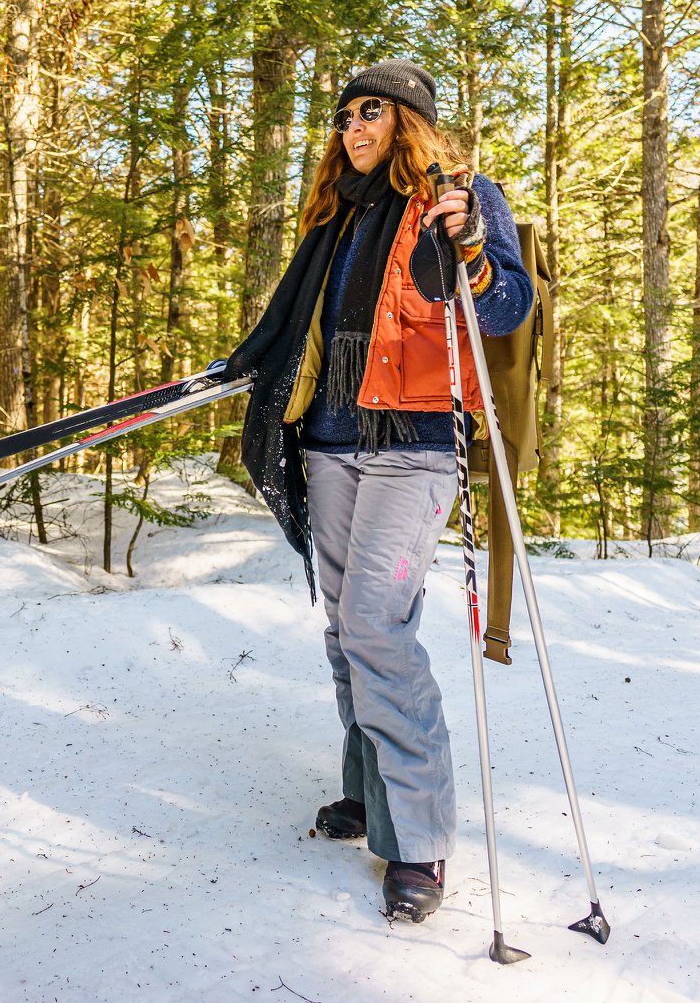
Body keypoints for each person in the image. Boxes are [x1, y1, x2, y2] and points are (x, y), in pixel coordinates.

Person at [223, 58, 534, 921]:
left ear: (408, 119)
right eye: (343, 117)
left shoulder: (463, 198)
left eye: (370, 112)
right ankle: (373, 796)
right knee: (343, 630)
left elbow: (507, 307)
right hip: (329, 443)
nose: (352, 128)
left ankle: (420, 840)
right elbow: (302, 325)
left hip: (412, 446)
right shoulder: (338, 217)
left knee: (376, 629)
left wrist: (469, 244)